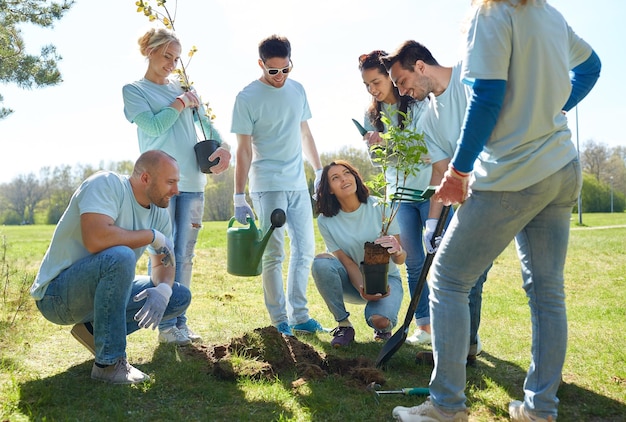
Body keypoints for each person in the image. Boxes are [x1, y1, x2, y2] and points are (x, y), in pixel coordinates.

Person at [388, 1, 601, 421]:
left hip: (513, 172)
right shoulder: (549, 15)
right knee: (547, 292)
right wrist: (552, 112)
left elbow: (486, 96)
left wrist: (459, 169)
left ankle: (446, 406)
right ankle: (540, 408)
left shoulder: (490, 16)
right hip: (560, 166)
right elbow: (591, 67)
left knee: (448, 279)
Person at [30, 150, 193, 384]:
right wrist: (150, 235)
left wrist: (164, 289)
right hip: (57, 297)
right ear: (145, 178)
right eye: (170, 182)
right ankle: (109, 364)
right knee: (121, 256)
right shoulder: (106, 184)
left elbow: (164, 260)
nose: (176, 191)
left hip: (97, 293)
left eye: (177, 183)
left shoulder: (159, 213)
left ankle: (94, 331)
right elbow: (96, 239)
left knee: (178, 296)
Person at [381, 41, 491, 363]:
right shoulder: (429, 119)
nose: (401, 91)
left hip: (504, 185)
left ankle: (457, 350)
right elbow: (442, 174)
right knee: (458, 274)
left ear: (420, 66)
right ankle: (462, 349)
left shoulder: (468, 77)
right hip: (470, 201)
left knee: (464, 273)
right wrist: (432, 222)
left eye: (402, 81)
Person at [123, 28, 231, 345]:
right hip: (159, 185)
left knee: (185, 253)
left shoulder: (184, 88)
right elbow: (154, 126)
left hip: (194, 182)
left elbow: (207, 125)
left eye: (176, 57)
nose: (171, 63)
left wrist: (224, 146)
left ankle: (177, 320)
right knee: (163, 251)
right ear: (149, 51)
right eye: (166, 56)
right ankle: (165, 323)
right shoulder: (134, 90)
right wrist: (181, 102)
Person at [231, 34, 325, 337]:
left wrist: (319, 170)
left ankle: (300, 315)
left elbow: (305, 134)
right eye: (273, 71)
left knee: (305, 249)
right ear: (261, 65)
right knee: (274, 253)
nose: (280, 77)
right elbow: (243, 150)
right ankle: (280, 320)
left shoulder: (297, 90)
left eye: (286, 69)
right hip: (267, 184)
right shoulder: (246, 98)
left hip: (297, 183)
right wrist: (237, 195)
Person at [358, 50, 436, 346]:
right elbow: (381, 163)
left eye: (376, 81)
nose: (373, 89)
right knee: (413, 263)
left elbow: (425, 151)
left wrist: (387, 145)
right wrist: (374, 146)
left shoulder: (418, 105)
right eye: (367, 85)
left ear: (391, 77)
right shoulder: (372, 116)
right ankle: (425, 327)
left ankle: (459, 329)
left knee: (438, 263)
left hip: (429, 192)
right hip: (399, 196)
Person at [312, 160, 405, 346]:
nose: (344, 179)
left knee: (380, 320)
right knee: (321, 262)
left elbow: (400, 259)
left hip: (387, 280)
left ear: (355, 176)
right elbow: (346, 262)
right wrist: (364, 289)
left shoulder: (381, 206)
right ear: (329, 189)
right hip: (352, 282)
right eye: (335, 178)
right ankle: (344, 325)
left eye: (347, 173)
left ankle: (382, 329)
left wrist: (398, 249)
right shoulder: (325, 221)